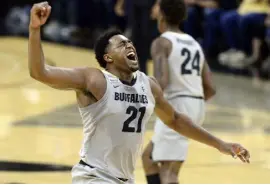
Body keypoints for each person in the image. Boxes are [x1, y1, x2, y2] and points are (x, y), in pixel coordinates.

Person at [28, 2, 250, 184]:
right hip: (94, 177)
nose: (129, 46)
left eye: (130, 43)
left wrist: (222, 144)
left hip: (125, 179)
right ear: (108, 58)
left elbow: (175, 120)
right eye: (121, 45)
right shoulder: (95, 79)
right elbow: (41, 72)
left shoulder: (148, 84)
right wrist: (35, 29)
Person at [141, 0, 217, 183]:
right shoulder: (194, 43)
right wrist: (192, 106)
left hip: (177, 106)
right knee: (148, 158)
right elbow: (211, 88)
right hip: (195, 104)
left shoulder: (162, 42)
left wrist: (142, 101)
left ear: (162, 14)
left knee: (169, 171)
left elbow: (161, 82)